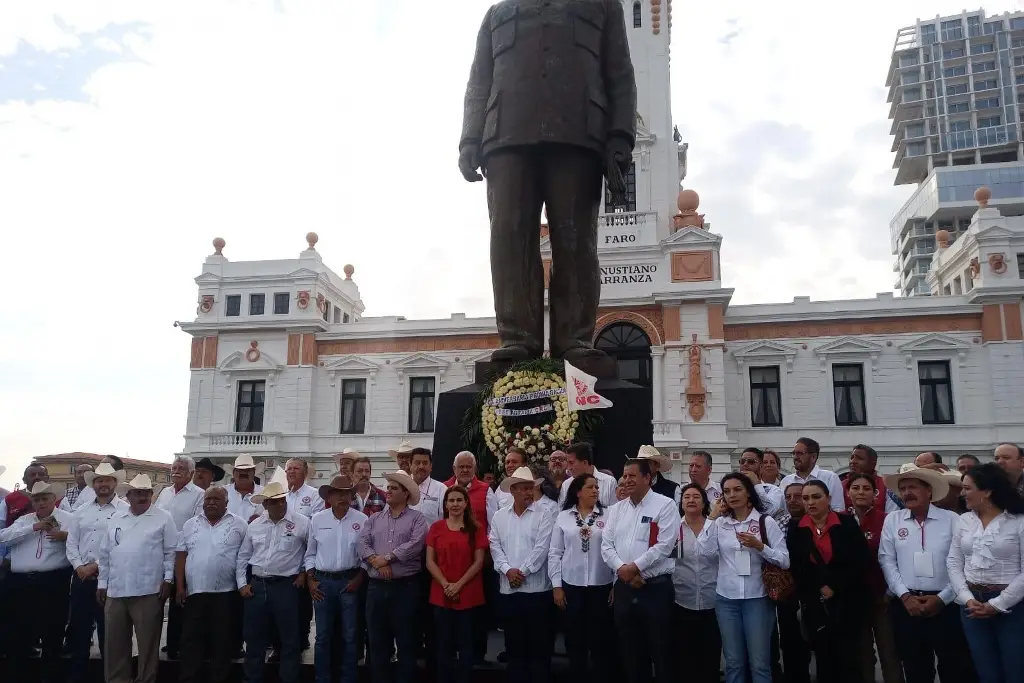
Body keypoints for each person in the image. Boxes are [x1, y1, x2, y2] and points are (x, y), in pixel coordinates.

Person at [879, 466, 977, 683]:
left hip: (947, 607)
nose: (906, 493)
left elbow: (963, 563)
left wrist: (942, 599)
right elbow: (887, 560)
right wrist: (905, 596)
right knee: (915, 670)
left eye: (912, 487)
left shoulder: (952, 520)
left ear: (929, 491)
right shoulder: (893, 520)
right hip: (907, 607)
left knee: (954, 669)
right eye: (902, 489)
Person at [696, 473, 790, 683]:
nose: (732, 495)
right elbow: (703, 551)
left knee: (759, 663)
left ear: (748, 492)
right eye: (727, 491)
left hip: (756, 598)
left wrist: (760, 547)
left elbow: (784, 560)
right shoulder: (720, 524)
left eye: (737, 489)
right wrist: (712, 516)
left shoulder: (765, 522)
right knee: (734, 662)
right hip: (726, 599)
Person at [601, 452, 680, 683]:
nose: (627, 480)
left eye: (633, 475)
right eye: (624, 476)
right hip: (626, 588)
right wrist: (623, 570)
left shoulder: (664, 505)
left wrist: (634, 567)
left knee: (662, 652)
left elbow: (665, 545)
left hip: (655, 589)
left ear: (648, 477)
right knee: (631, 652)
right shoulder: (617, 509)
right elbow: (607, 545)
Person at [947, 463, 1024, 683]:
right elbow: (954, 562)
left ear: (988, 491)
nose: (962, 493)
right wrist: (967, 599)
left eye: (968, 488)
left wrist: (997, 604)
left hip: (1013, 607)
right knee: (985, 672)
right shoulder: (964, 520)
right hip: (972, 605)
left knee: (1015, 670)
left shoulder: (1018, 521)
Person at [786, 480, 869, 683]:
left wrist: (835, 587)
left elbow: (860, 560)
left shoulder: (846, 523)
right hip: (816, 604)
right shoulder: (797, 527)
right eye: (806, 498)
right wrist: (818, 589)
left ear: (829, 498)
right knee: (823, 659)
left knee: (849, 659)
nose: (810, 502)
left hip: (847, 601)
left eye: (816, 497)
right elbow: (796, 567)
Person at [97, 474, 177, 683]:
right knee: (115, 645)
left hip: (148, 590)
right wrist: (102, 583)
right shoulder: (116, 518)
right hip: (116, 590)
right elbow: (105, 553)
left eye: (146, 493)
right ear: (129, 495)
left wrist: (168, 580)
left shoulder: (163, 517)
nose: (142, 497)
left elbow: (171, 552)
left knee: (148, 645)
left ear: (152, 495)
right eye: (138, 493)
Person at [236, 478, 310, 683]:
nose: (281, 504)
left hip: (286, 586)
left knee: (290, 640)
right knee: (254, 639)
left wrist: (304, 573)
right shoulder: (255, 525)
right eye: (275, 502)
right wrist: (242, 583)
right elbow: (243, 556)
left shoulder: (302, 523)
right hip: (257, 586)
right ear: (265, 504)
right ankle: (252, 679)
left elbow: (310, 552)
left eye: (283, 500)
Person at [357, 470, 428, 683]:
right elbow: (361, 542)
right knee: (377, 642)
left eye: (394, 488)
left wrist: (387, 558)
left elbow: (415, 545)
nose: (388, 491)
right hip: (377, 588)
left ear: (406, 494)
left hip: (405, 588)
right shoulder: (374, 518)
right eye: (388, 487)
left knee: (406, 641)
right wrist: (374, 560)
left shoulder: (417, 519)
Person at [0, 481, 74, 682]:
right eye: (37, 499)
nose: (41, 503)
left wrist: (65, 536)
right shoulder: (24, 521)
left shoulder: (69, 520)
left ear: (53, 500)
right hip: (21, 583)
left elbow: (80, 543)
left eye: (45, 498)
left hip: (53, 582)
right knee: (19, 635)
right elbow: (3, 538)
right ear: (32, 501)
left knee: (53, 635)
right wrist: (34, 527)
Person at [489, 466, 556, 683]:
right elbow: (494, 546)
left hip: (537, 591)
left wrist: (522, 571)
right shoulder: (499, 516)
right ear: (513, 491)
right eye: (524, 488)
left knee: (539, 648)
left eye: (531, 488)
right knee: (514, 646)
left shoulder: (545, 515)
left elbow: (542, 548)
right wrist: (508, 570)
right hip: (509, 591)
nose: (528, 492)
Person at [175, 486, 248, 683]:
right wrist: (180, 587)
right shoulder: (190, 525)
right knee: (191, 641)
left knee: (222, 641)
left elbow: (245, 557)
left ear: (226, 503)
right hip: (195, 592)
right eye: (208, 499)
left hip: (226, 593)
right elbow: (181, 555)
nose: (211, 502)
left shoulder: (239, 525)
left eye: (216, 499)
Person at [65, 463, 128, 683]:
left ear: (114, 483)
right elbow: (72, 541)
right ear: (93, 484)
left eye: (107, 480)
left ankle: (109, 677)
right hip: (81, 577)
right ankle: (78, 677)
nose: (103, 484)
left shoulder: (124, 511)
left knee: (108, 633)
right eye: (99, 480)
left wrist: (96, 566)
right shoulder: (81, 511)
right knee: (79, 632)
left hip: (109, 578)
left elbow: (121, 544)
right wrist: (79, 566)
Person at [550, 474, 616, 683]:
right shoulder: (563, 517)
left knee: (600, 639)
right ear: (578, 492)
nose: (595, 491)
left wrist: (616, 584)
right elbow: (555, 553)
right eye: (590, 487)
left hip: (601, 584)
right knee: (574, 638)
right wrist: (557, 586)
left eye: (597, 487)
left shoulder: (610, 515)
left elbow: (616, 548)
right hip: (573, 585)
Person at [306, 475, 367, 683]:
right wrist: (310, 580)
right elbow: (310, 554)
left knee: (350, 636)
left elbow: (366, 555)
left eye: (347, 493)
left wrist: (360, 577)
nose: (343, 497)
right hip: (322, 582)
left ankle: (348, 678)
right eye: (338, 493)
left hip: (349, 581)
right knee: (322, 636)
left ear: (352, 496)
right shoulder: (317, 519)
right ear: (329, 496)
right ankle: (322, 678)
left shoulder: (362, 520)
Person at [425, 486, 488, 683]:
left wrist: (458, 585)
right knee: (443, 645)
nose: (455, 504)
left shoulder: (476, 528)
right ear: (445, 504)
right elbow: (430, 561)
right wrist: (446, 584)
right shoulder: (436, 528)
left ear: (466, 503)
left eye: (459, 500)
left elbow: (479, 562)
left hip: (468, 593)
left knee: (466, 644)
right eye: (451, 500)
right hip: (441, 592)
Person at [846, 474, 903, 683]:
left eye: (866, 488)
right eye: (856, 488)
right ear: (848, 492)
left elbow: (894, 558)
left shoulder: (886, 519)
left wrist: (890, 592)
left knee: (890, 653)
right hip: (854, 599)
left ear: (875, 493)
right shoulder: (840, 519)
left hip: (883, 597)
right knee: (862, 656)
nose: (861, 492)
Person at [156, 454, 205, 659]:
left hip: (184, 552)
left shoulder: (199, 494)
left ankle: (181, 643)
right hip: (160, 552)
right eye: (174, 467)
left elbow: (195, 524)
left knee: (181, 599)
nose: (175, 470)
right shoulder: (165, 493)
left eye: (181, 468)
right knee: (160, 598)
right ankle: (169, 642)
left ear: (191, 473)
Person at [672, 483, 720, 683]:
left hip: (714, 601)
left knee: (711, 656)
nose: (691, 500)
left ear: (704, 502)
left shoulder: (717, 526)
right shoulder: (674, 529)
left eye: (696, 497)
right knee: (684, 656)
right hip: (682, 601)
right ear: (681, 503)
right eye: (687, 497)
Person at [780, 437, 844, 512]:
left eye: (800, 453)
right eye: (793, 453)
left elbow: (837, 509)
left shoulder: (830, 477)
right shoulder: (786, 481)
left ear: (813, 457)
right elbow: (783, 510)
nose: (795, 457)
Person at [559, 442, 617, 507]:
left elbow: (615, 512)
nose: (568, 467)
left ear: (585, 463)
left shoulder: (609, 482)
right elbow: (561, 512)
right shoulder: (566, 484)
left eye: (571, 463)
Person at [845, 445, 901, 512]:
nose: (853, 461)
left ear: (873, 464)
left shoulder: (886, 486)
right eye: (852, 458)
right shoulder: (842, 485)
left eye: (859, 458)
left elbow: (891, 516)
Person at [226, 453, 264, 522]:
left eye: (248, 470)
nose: (243, 473)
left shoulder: (264, 493)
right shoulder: (223, 492)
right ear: (233, 473)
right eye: (239, 470)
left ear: (254, 472)